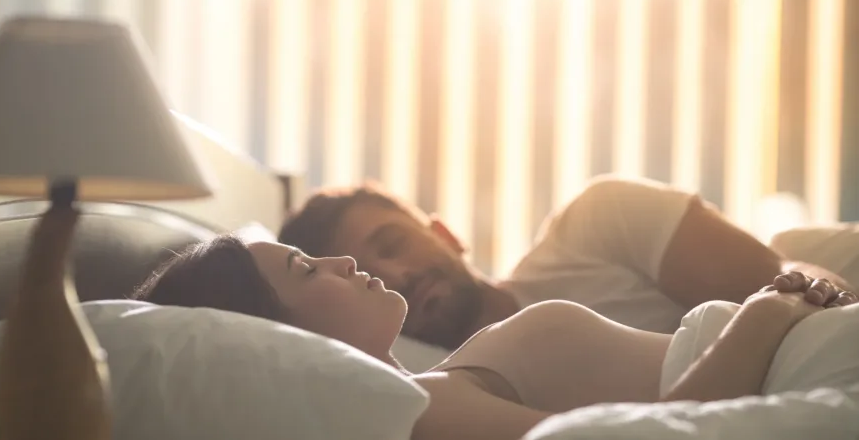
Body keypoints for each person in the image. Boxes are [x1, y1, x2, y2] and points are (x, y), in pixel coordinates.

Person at [133, 234, 858, 440]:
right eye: (305, 266)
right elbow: (671, 432)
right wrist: (767, 313)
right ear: (276, 337)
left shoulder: (431, 387)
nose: (346, 262)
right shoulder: (417, 409)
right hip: (791, 357)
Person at [278, 176, 853, 350]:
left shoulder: (600, 221)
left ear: (447, 233)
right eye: (372, 274)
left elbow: (789, 279)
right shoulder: (456, 399)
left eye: (394, 243)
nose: (399, 274)